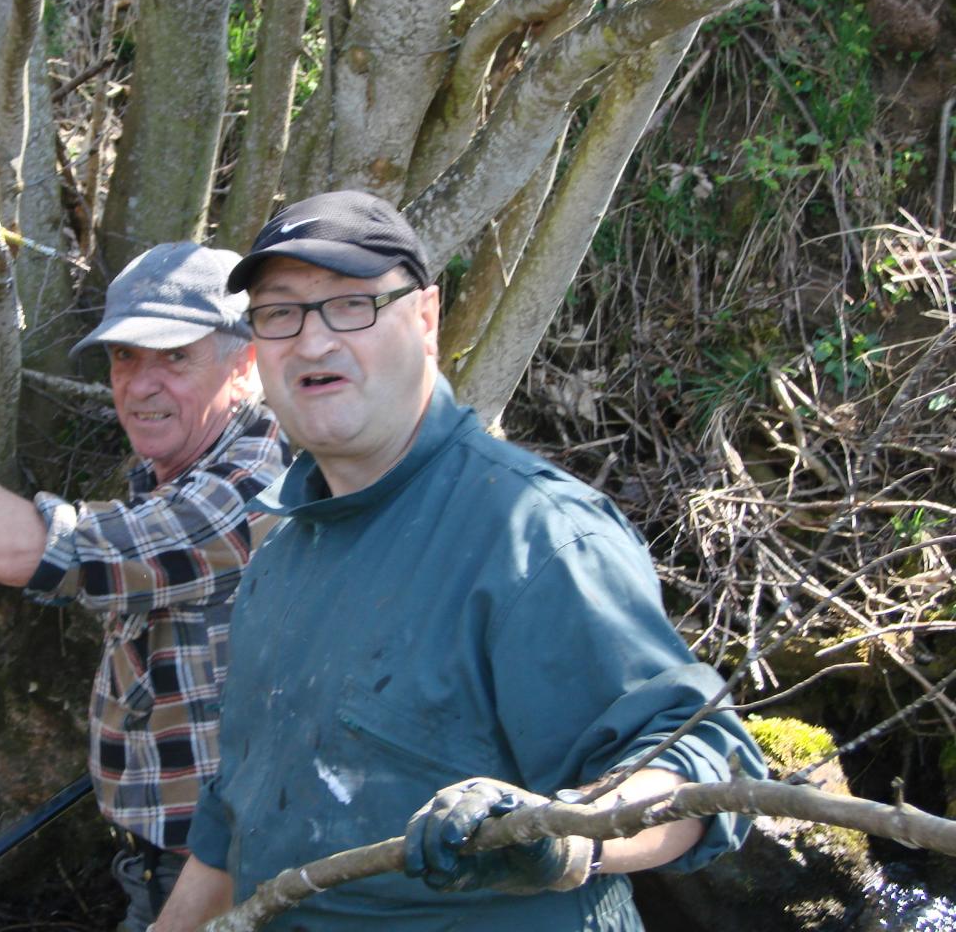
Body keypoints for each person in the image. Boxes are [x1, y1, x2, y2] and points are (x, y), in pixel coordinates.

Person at [151, 192, 766, 932]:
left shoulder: (535, 536)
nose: (313, 342)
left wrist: (567, 835)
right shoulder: (281, 550)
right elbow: (235, 813)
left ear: (426, 318)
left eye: (352, 304)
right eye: (281, 312)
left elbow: (707, 759)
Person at [0, 242, 290, 932]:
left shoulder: (241, 493)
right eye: (125, 356)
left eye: (175, 357)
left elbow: (19, 550)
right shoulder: (184, 469)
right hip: (160, 855)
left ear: (243, 364)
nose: (140, 384)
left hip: (217, 875)